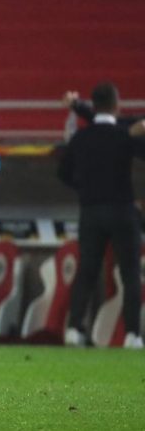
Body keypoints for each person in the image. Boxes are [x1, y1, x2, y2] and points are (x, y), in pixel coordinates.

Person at [58, 83, 145, 349]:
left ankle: (73, 329)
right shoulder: (125, 135)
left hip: (91, 211)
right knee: (130, 273)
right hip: (122, 210)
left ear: (93, 106)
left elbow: (62, 173)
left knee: (86, 271)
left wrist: (84, 189)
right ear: (117, 105)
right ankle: (132, 334)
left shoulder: (80, 138)